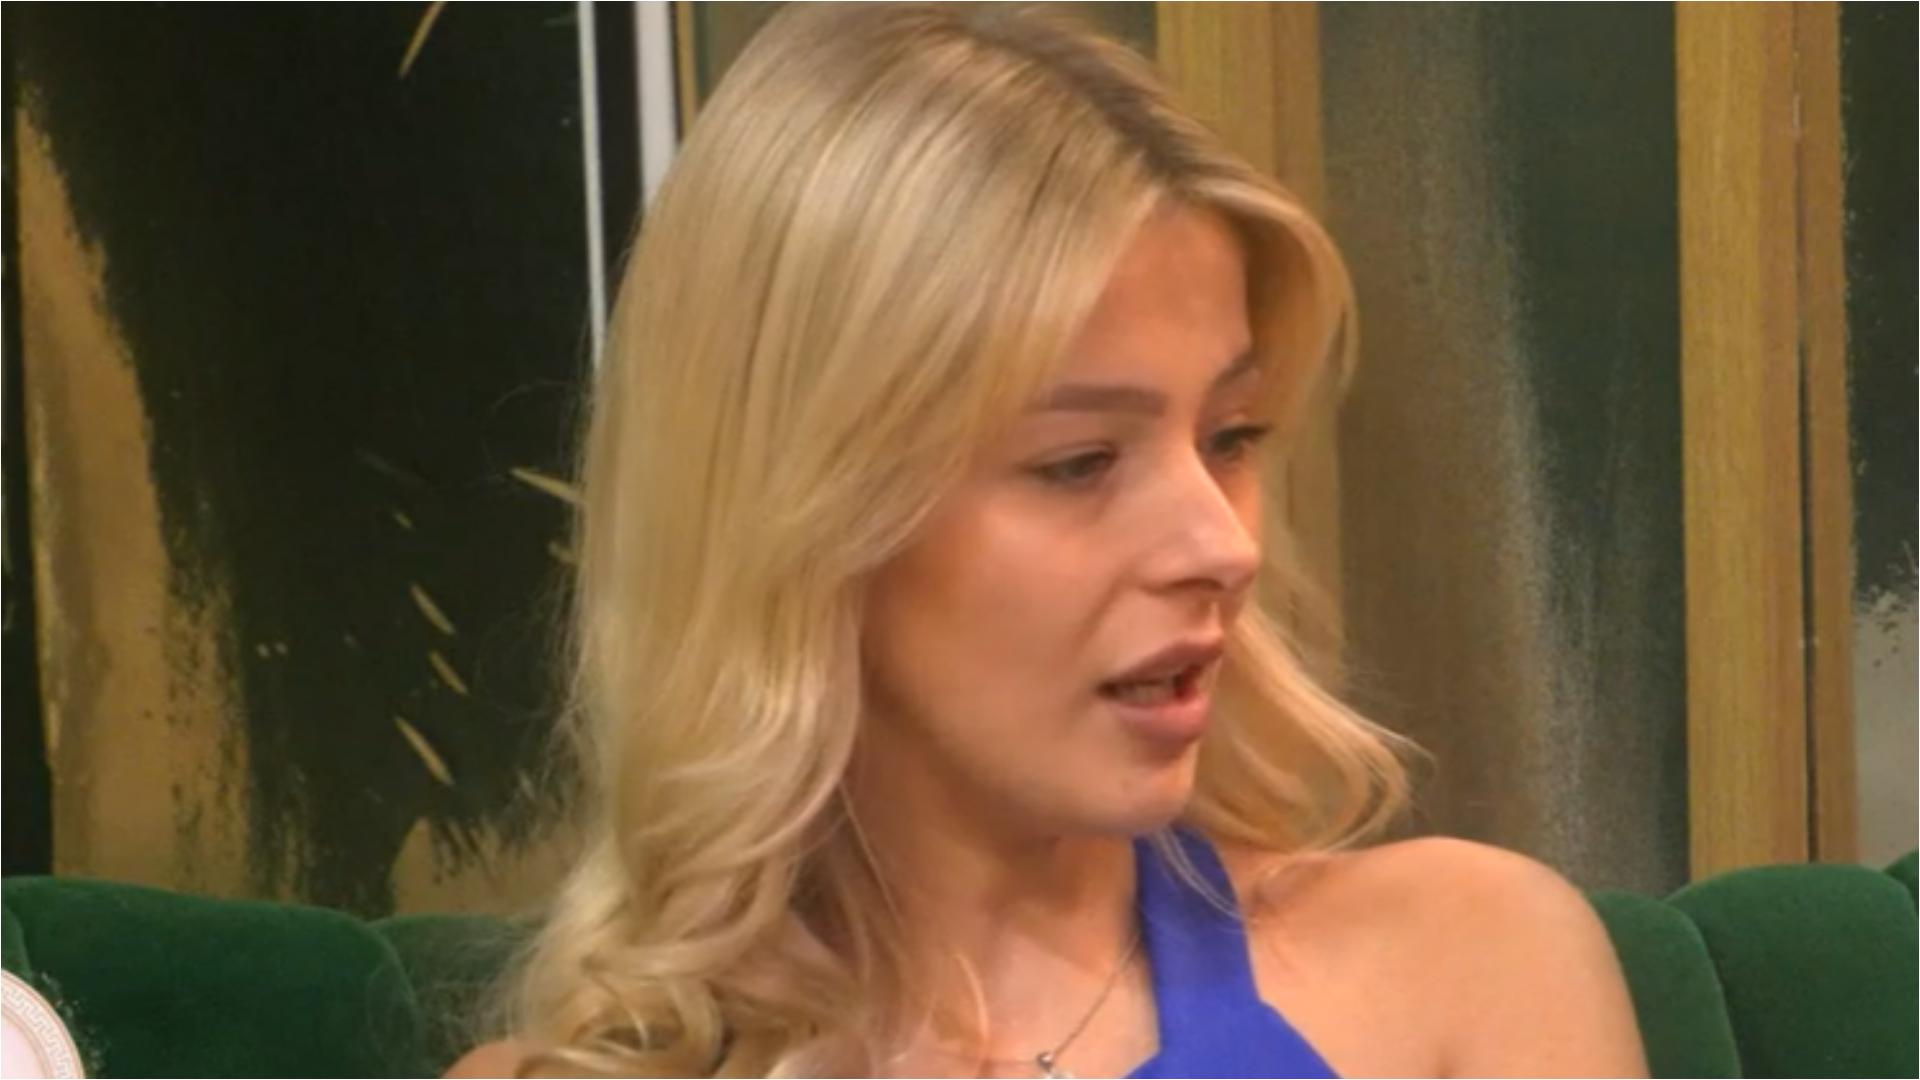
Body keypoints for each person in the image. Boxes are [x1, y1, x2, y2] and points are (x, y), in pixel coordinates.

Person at [451, 4, 1647, 1077]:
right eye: (1079, 462)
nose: (1221, 547)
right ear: (805, 517)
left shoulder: (1468, 967)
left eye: (1231, 437)